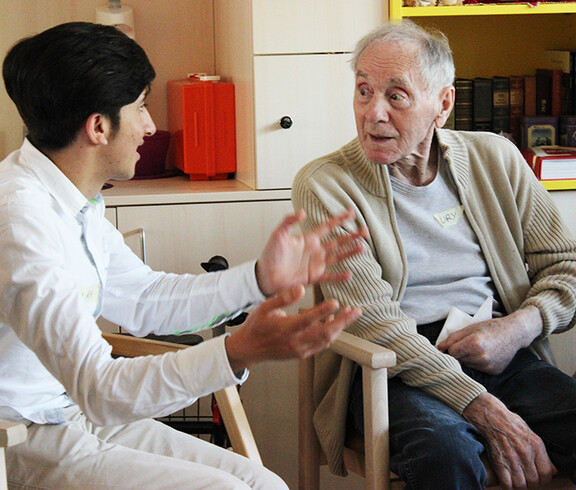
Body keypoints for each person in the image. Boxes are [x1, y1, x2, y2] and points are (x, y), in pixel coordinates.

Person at [0, 22, 368, 489]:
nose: (151, 126)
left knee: (266, 486)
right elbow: (99, 388)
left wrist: (258, 279)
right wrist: (235, 351)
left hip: (74, 413)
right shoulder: (19, 219)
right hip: (19, 436)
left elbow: (145, 299)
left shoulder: (74, 197)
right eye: (141, 107)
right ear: (98, 127)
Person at [292, 20, 576, 489]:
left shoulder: (497, 158)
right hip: (392, 368)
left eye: (396, 96)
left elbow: (565, 267)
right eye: (364, 91)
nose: (373, 113)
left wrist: (518, 327)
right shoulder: (325, 185)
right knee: (447, 451)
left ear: (443, 104)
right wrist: (482, 407)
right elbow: (373, 323)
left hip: (499, 347)